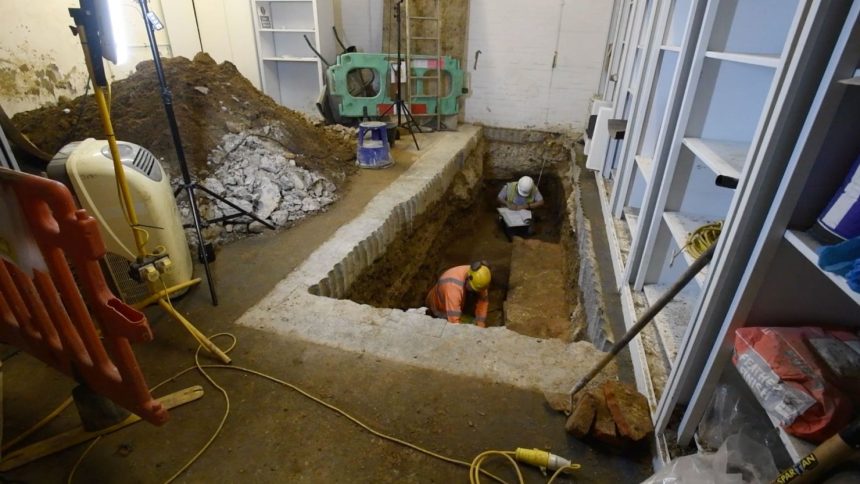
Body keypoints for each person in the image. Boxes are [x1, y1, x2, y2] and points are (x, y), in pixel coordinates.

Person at [425, 261, 491, 327]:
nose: (475, 291)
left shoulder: (479, 276)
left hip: (455, 298)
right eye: (473, 288)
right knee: (470, 324)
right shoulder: (452, 287)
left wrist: (480, 322)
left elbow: (483, 300)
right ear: (468, 278)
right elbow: (454, 324)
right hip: (439, 307)